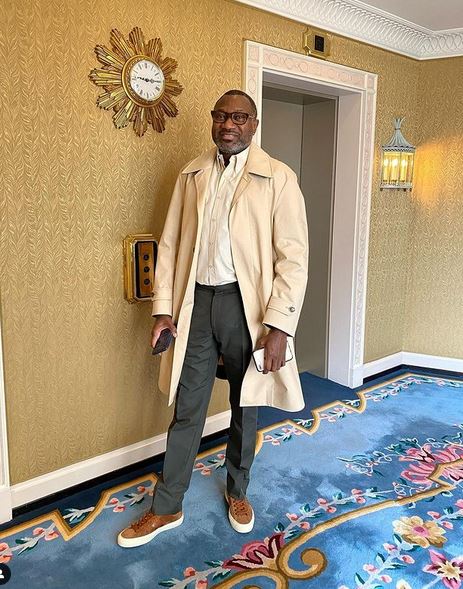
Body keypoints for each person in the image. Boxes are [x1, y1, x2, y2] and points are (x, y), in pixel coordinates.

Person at [117, 90, 309, 548]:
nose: (229, 124)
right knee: (188, 406)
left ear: (254, 124)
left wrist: (280, 327)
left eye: (239, 117)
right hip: (197, 303)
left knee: (246, 403)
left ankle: (238, 490)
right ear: (213, 121)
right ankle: (167, 505)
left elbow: (294, 258)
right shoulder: (192, 174)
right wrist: (163, 310)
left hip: (249, 307)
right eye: (221, 116)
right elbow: (169, 244)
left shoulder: (278, 178)